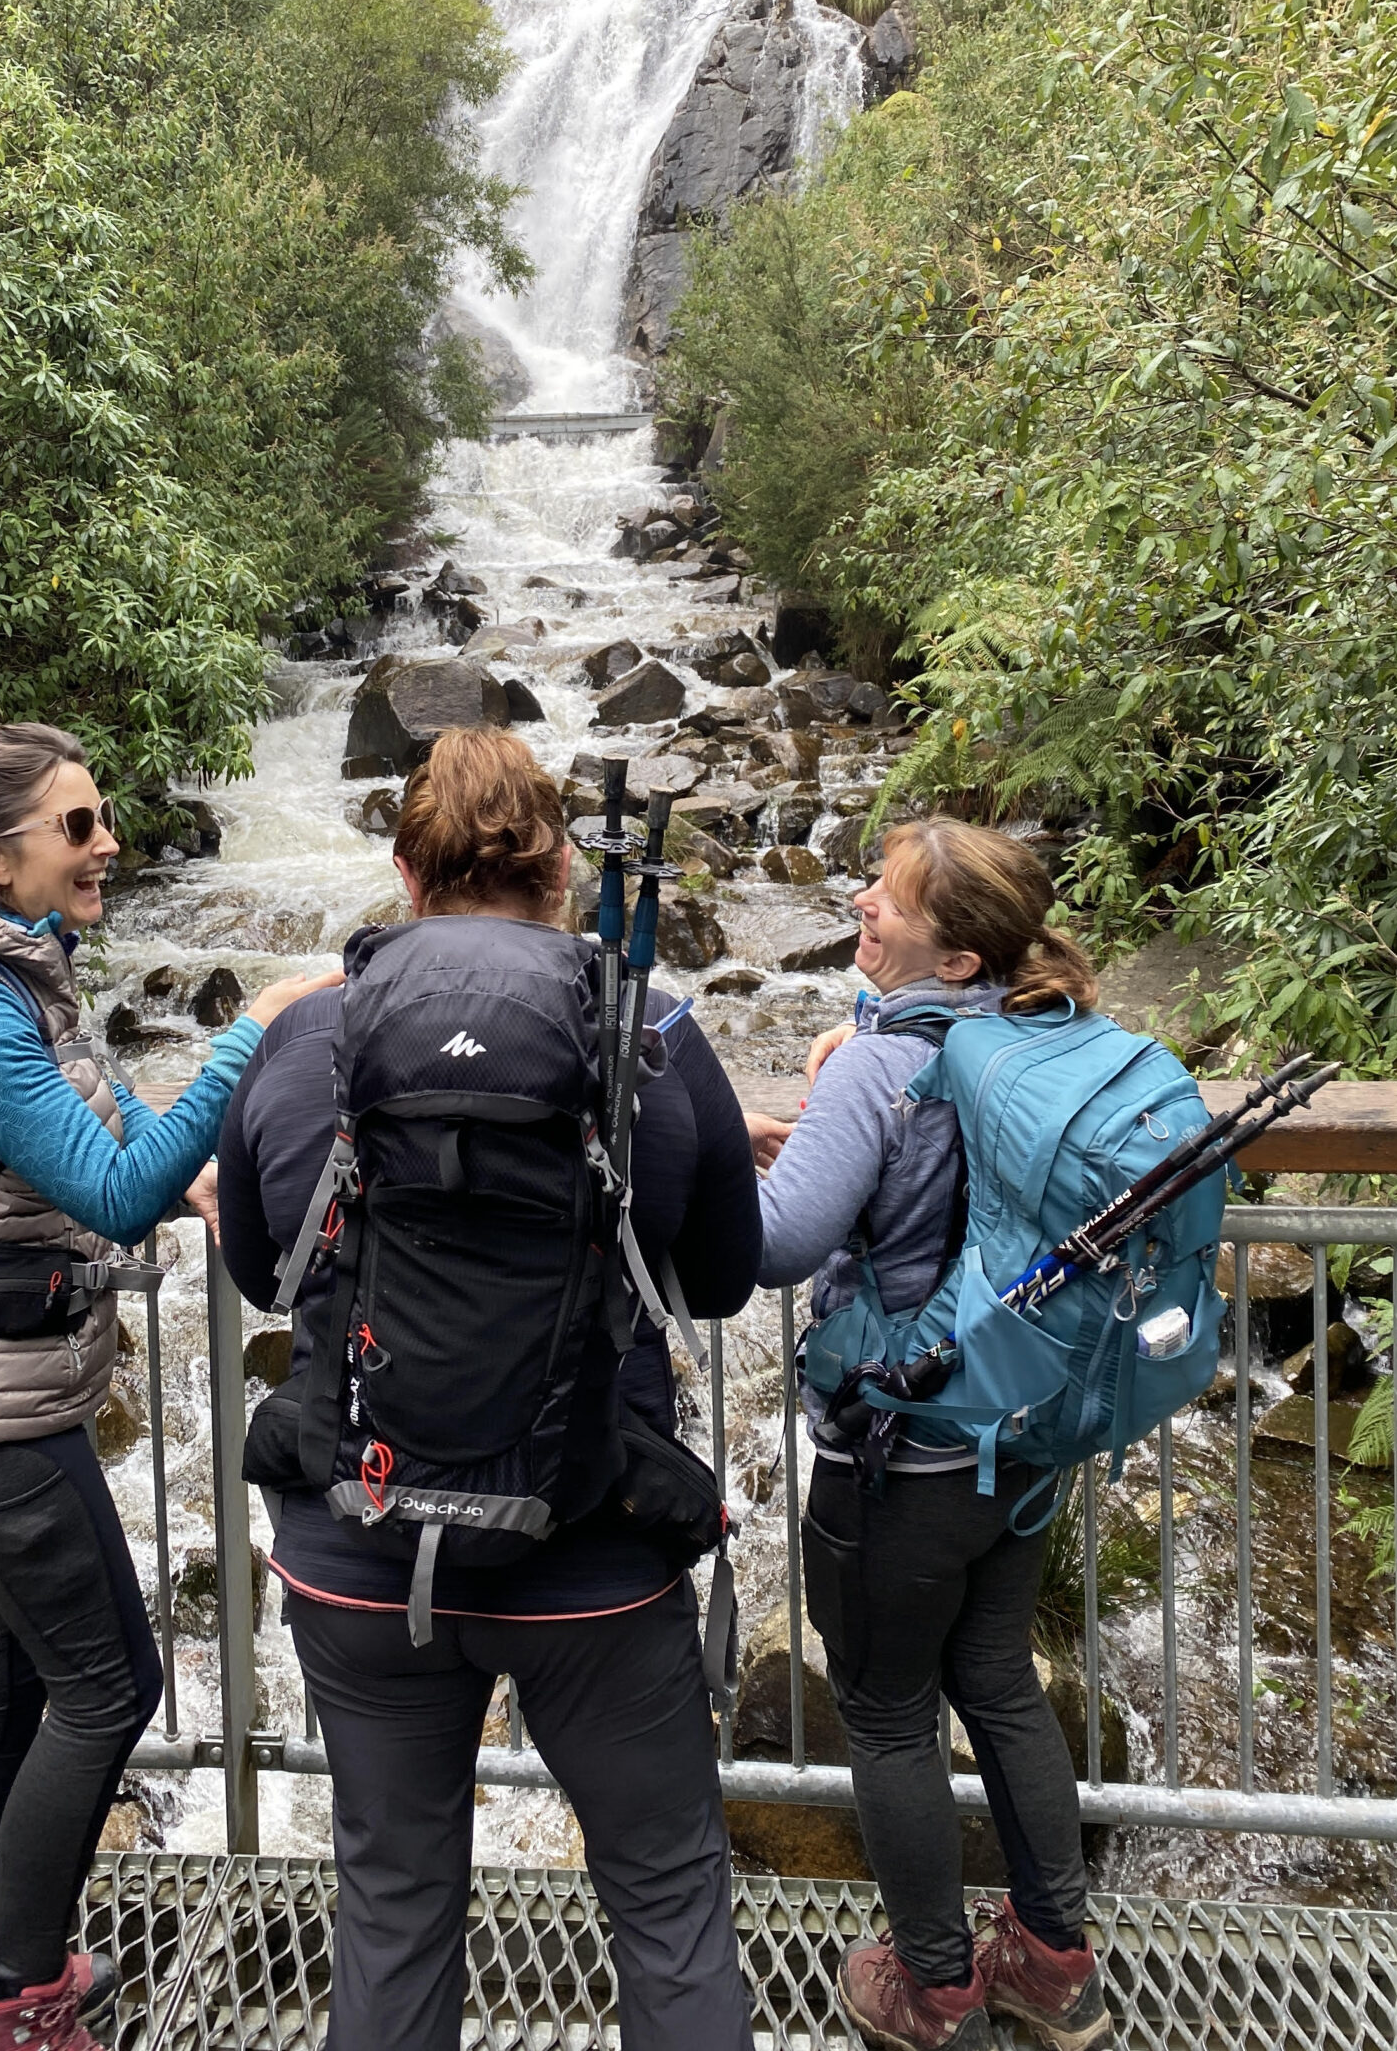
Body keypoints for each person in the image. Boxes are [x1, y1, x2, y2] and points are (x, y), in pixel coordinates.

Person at [219, 727, 762, 2051]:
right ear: (567, 868)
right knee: (667, 1902)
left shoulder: (309, 1041)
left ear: (403, 869)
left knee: (394, 1906)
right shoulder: (652, 1035)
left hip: (358, 1542)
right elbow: (723, 1277)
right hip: (590, 1555)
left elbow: (262, 1271)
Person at [0, 722, 335, 2051]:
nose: (107, 843)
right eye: (78, 825)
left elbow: (116, 1140)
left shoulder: (17, 977)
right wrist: (250, 1035)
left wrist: (206, 1172)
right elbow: (116, 1191)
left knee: (12, 1690)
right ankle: (19, 1992)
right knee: (110, 1690)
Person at [757, 819, 1111, 2051]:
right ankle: (1056, 1961)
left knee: (889, 1712)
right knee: (999, 1679)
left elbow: (777, 1243)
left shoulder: (877, 1065)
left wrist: (736, 1144)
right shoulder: (1031, 1037)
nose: (860, 899)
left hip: (898, 1448)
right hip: (1019, 1433)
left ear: (957, 956)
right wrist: (841, 1070)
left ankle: (936, 1986)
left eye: (889, 897)